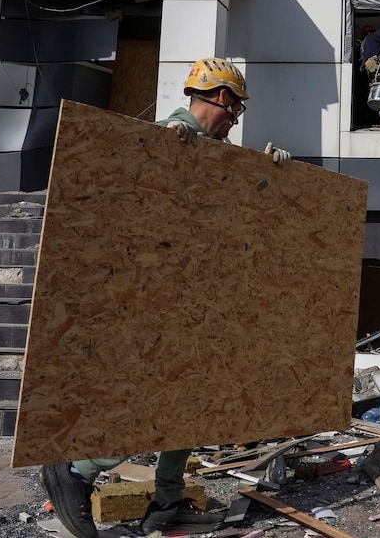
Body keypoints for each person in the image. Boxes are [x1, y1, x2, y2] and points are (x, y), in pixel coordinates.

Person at [38, 58, 291, 538]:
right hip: (152, 300)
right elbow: (119, 182)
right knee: (150, 399)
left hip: (196, 300)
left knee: (190, 400)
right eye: (235, 106)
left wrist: (270, 173)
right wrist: (169, 144)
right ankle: (76, 470)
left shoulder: (218, 153)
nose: (237, 116)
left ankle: (168, 498)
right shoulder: (165, 137)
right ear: (220, 98)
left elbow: (238, 215)